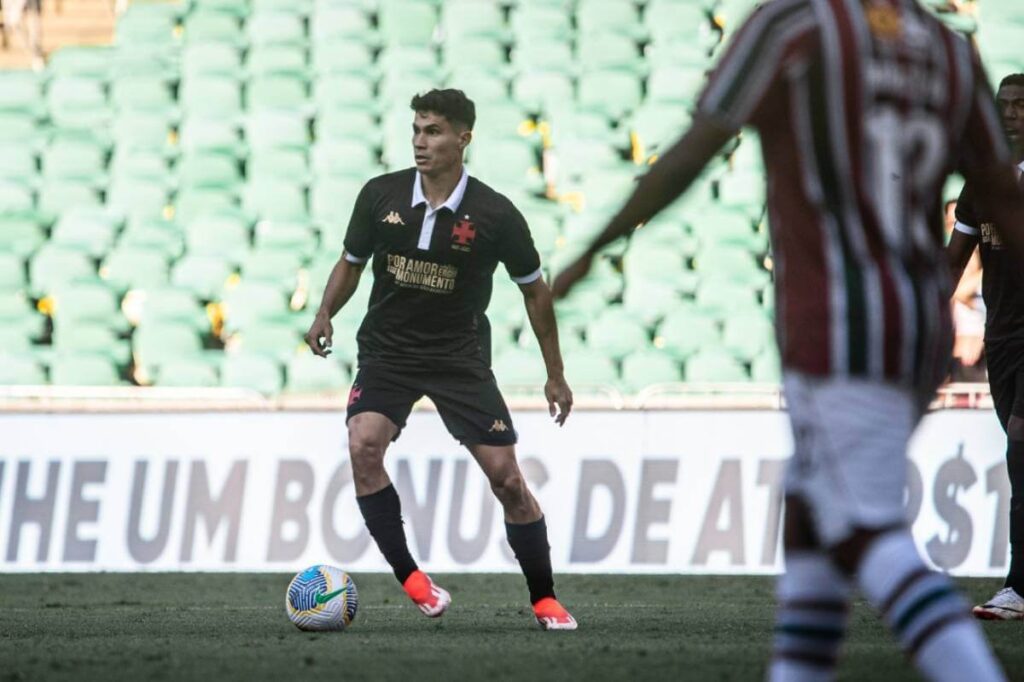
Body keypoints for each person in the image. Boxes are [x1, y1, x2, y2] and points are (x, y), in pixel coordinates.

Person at [553, 1, 1024, 679]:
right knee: (808, 522)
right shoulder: (949, 50)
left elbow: (697, 145)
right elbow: (1001, 199)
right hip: (918, 323)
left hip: (837, 322)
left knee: (865, 532)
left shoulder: (795, 28)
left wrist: (595, 248)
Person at [304, 89, 577, 631]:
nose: (420, 142)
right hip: (388, 352)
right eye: (416, 130)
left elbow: (535, 291)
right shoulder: (379, 197)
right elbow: (351, 263)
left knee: (507, 481)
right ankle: (413, 580)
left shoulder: (496, 214)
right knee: (363, 444)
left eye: (432, 132)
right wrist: (324, 312)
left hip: (459, 358)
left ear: (463, 138)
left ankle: (544, 598)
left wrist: (555, 373)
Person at [948, 73, 1024, 620]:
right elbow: (953, 263)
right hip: (1002, 338)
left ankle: (1018, 587)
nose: (1012, 113)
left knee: (1021, 452)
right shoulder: (982, 184)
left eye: (1023, 104)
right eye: (1005, 105)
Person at [944, 199, 986, 382]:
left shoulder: (985, 256)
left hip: (986, 352)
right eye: (952, 224)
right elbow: (953, 292)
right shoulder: (948, 260)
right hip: (958, 357)